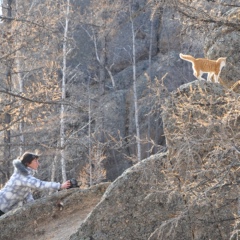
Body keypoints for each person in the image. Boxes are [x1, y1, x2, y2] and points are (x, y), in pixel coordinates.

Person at [0, 152, 71, 216]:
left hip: (4, 209)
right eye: (35, 161)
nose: (38, 163)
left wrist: (35, 208)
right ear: (27, 163)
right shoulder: (22, 176)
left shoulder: (24, 175)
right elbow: (40, 185)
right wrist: (60, 186)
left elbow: (27, 195)